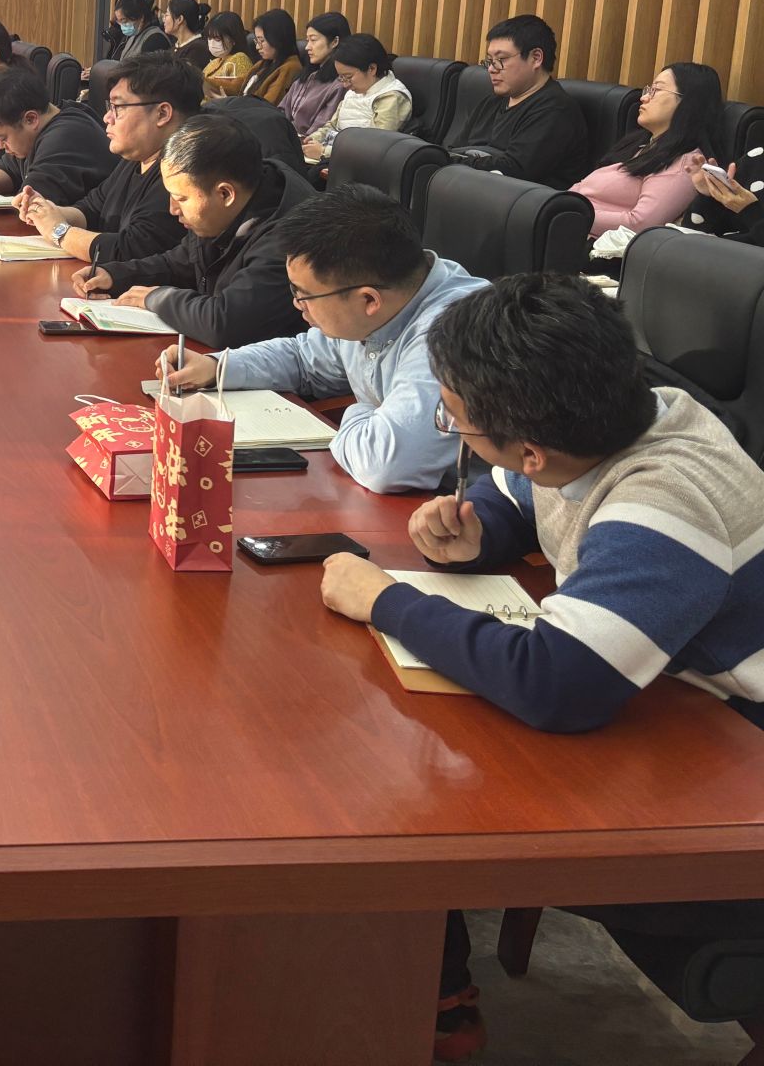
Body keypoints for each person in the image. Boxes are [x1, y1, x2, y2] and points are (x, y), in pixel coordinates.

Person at [315, 271, 764, 1060]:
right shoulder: (622, 414)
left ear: (530, 447)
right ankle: (431, 979)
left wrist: (385, 600)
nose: (457, 439)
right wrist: (477, 528)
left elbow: (558, 684)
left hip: (732, 777)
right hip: (676, 702)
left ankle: (420, 996)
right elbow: (523, 494)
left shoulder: (666, 499)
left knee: (411, 810)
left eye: (457, 423)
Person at [159, 186, 488, 492]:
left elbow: (385, 467)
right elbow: (304, 358)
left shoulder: (452, 335)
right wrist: (217, 366)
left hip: (469, 516)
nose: (296, 304)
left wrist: (362, 410)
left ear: (368, 300)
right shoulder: (383, 298)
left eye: (304, 295)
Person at [75, 113, 311, 348]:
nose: (172, 209)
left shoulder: (292, 238)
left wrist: (156, 298)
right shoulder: (229, 206)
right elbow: (179, 263)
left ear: (225, 194)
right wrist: (115, 276)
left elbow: (226, 324)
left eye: (181, 198)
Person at [18, 55, 198, 268]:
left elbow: (131, 250)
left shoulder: (182, 173)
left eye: (117, 108)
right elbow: (91, 209)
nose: (107, 118)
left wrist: (60, 232)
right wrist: (45, 211)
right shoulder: (137, 157)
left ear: (162, 113)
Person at [568, 63, 721, 236]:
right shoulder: (639, 144)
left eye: (656, 90)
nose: (644, 98)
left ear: (688, 103)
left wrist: (566, 214)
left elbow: (640, 224)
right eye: (648, 90)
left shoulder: (685, 163)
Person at [444, 14, 589, 188]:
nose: (491, 69)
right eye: (490, 61)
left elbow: (514, 171)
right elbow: (454, 151)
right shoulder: (490, 103)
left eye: (501, 60)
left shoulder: (555, 110)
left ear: (536, 58)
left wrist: (454, 162)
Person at [0, 68, 115, 204]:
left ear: (31, 119)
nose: (0, 146)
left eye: (3, 138)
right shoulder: (45, 124)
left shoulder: (63, 139)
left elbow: (29, 205)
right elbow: (8, 167)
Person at [303, 34, 412, 162]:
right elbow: (333, 125)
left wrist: (323, 152)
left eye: (348, 77)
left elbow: (375, 147)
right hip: (337, 153)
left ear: (372, 69)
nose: (345, 84)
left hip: (357, 164)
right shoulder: (356, 89)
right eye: (341, 77)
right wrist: (314, 138)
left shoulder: (392, 97)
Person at [276, 10, 350, 137]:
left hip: (306, 143)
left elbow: (320, 129)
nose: (307, 47)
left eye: (313, 40)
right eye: (307, 40)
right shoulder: (307, 75)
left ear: (334, 42)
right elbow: (281, 110)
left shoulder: (339, 84)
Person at [242, 9, 301, 104]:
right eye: (257, 41)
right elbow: (239, 84)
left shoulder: (290, 68)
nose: (257, 47)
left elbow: (266, 105)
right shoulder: (263, 64)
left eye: (262, 41)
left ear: (278, 39)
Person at [200, 10, 257, 97]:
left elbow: (237, 90)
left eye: (217, 38)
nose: (212, 43)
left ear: (233, 39)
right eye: (209, 38)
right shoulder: (213, 63)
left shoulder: (240, 58)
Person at [162, 0, 212, 68]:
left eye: (167, 15)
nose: (163, 19)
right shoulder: (177, 46)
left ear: (180, 19)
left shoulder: (197, 49)